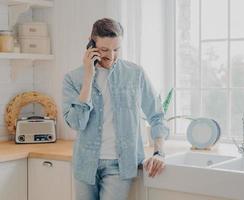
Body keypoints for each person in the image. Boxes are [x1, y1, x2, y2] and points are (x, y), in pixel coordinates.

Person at [62, 18, 169, 200]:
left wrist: (159, 152)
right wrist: (88, 77)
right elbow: (76, 123)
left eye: (116, 49)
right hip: (85, 164)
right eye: (104, 50)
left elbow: (156, 115)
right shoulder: (73, 78)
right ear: (91, 44)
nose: (111, 56)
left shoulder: (135, 73)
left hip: (119, 165)